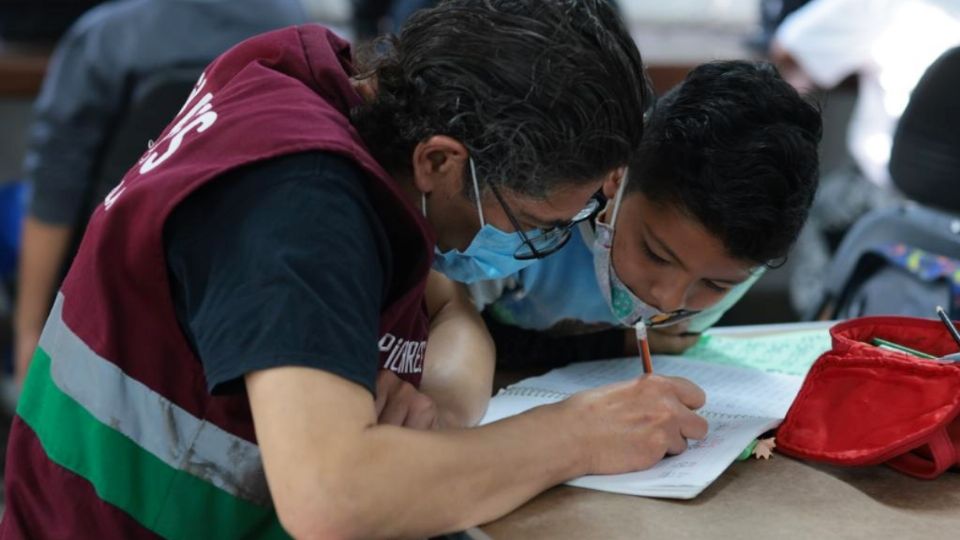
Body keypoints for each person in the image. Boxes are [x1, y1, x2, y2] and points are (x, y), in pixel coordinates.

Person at [2, 2, 708, 538]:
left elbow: (448, 304)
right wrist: (575, 435)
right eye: (537, 224)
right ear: (441, 160)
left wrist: (449, 393)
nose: (536, 246)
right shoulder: (301, 204)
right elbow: (332, 497)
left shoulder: (335, 97)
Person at [13, 0, 309, 387]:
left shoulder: (105, 39)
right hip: (249, 269)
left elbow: (57, 187)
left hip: (115, 270)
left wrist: (30, 335)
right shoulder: (292, 28)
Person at [474, 60, 823, 368]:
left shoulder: (744, 252)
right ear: (616, 174)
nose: (667, 300)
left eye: (716, 285)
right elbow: (447, 329)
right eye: (655, 254)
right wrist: (611, 345)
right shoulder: (524, 214)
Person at [769, 0, 960, 316]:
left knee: (815, 200)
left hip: (890, 201)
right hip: (924, 211)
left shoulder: (876, 7)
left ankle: (820, 320)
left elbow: (791, 49)